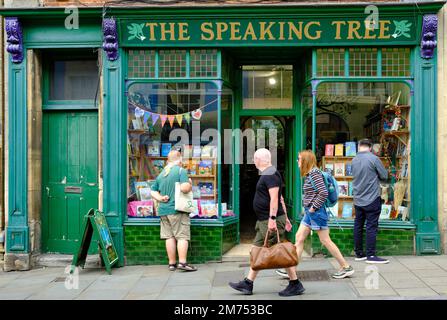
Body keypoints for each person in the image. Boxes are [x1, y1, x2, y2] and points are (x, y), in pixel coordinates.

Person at [228, 148, 304, 296]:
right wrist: (286, 217)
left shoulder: (270, 174)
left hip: (269, 221)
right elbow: (281, 198)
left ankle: (295, 283)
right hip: (265, 220)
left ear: (259, 160)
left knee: (280, 251)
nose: (253, 162)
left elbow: (275, 198)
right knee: (257, 251)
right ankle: (248, 283)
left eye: (254, 159)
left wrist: (273, 219)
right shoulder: (269, 173)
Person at [278, 150, 354, 279]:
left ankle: (345, 267)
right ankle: (291, 269)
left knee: (325, 240)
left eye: (299, 159)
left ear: (305, 161)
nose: (297, 161)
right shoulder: (310, 174)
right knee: (299, 237)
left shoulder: (314, 174)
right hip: (310, 213)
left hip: (316, 213)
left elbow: (323, 193)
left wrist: (313, 208)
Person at [150, 150, 197, 271]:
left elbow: (152, 191)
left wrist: (161, 198)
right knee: (182, 236)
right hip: (177, 210)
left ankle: (172, 263)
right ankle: (182, 263)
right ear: (179, 159)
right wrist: (190, 183)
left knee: (169, 237)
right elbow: (185, 188)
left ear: (168, 160)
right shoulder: (181, 171)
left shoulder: (162, 174)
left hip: (163, 210)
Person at [352, 139, 389, 264]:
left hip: (357, 199)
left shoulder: (354, 160)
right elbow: (384, 175)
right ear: (370, 147)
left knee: (358, 225)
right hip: (372, 198)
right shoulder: (373, 159)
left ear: (359, 147)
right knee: (371, 227)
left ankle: (359, 253)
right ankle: (371, 256)